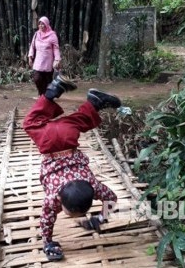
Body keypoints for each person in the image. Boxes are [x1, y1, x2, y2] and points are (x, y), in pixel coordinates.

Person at [22, 75, 121, 261]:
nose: (72, 216)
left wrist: (99, 218)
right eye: (71, 213)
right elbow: (46, 221)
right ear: (59, 199)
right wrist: (48, 243)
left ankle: (93, 102)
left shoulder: (93, 185)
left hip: (68, 139)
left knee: (73, 123)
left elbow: (111, 198)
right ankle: (60, 93)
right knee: (30, 125)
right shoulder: (53, 199)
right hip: (50, 143)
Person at [28, 16, 61, 96]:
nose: (41, 26)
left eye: (43, 24)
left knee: (47, 80)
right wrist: (30, 57)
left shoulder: (52, 35)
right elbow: (32, 46)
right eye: (39, 24)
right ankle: (41, 93)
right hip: (38, 61)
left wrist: (57, 59)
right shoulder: (36, 34)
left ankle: (46, 96)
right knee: (37, 78)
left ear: (46, 24)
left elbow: (56, 48)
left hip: (48, 62)